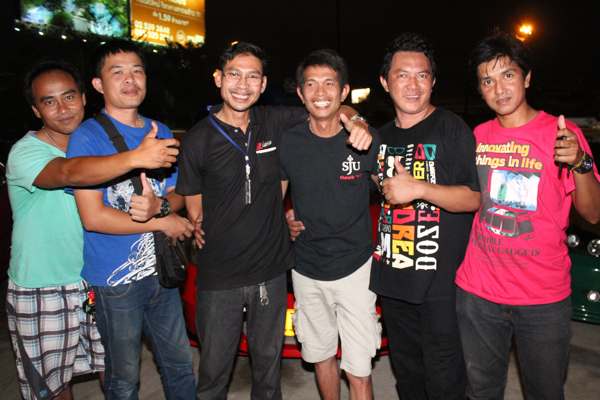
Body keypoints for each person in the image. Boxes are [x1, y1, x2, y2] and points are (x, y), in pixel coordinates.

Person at [176, 41, 371, 400]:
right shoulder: (197, 139)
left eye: (253, 77)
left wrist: (356, 118)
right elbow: (194, 210)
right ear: (218, 78)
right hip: (220, 277)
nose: (243, 85)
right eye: (234, 75)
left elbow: (327, 105)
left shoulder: (274, 122)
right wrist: (197, 226)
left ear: (263, 84)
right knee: (213, 375)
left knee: (268, 375)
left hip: (270, 270)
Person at [6, 60, 179, 400]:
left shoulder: (95, 142)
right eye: (49, 101)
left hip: (95, 279)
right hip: (44, 284)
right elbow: (69, 172)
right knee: (53, 386)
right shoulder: (26, 152)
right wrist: (136, 157)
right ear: (36, 110)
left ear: (85, 97)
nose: (63, 108)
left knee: (113, 370)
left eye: (69, 96)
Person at [455, 32, 600, 400]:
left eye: (507, 75)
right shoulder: (478, 136)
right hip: (479, 293)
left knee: (545, 392)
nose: (499, 89)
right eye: (487, 80)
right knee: (481, 391)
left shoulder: (562, 134)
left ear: (527, 77)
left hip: (542, 297)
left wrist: (580, 163)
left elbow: (593, 213)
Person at [66, 40, 196, 400]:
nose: (130, 79)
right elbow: (93, 218)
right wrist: (161, 222)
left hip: (162, 272)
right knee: (123, 378)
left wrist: (160, 208)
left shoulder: (160, 130)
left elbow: (178, 192)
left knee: (180, 365)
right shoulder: (87, 137)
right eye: (118, 72)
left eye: (137, 71)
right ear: (98, 84)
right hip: (114, 281)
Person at [371, 33, 480, 399]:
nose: (413, 85)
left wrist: (419, 189)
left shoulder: (452, 128)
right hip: (394, 281)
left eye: (422, 75)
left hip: (442, 288)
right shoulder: (380, 138)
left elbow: (474, 198)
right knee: (408, 378)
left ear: (433, 81)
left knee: (446, 381)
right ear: (385, 82)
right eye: (402, 75)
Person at [279, 49, 381, 400]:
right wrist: (283, 221)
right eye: (311, 84)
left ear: (344, 91)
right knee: (321, 357)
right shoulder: (289, 142)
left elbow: (391, 191)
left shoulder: (364, 139)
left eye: (329, 84)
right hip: (306, 269)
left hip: (356, 269)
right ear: (300, 92)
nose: (320, 92)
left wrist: (360, 122)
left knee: (359, 370)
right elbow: (275, 198)